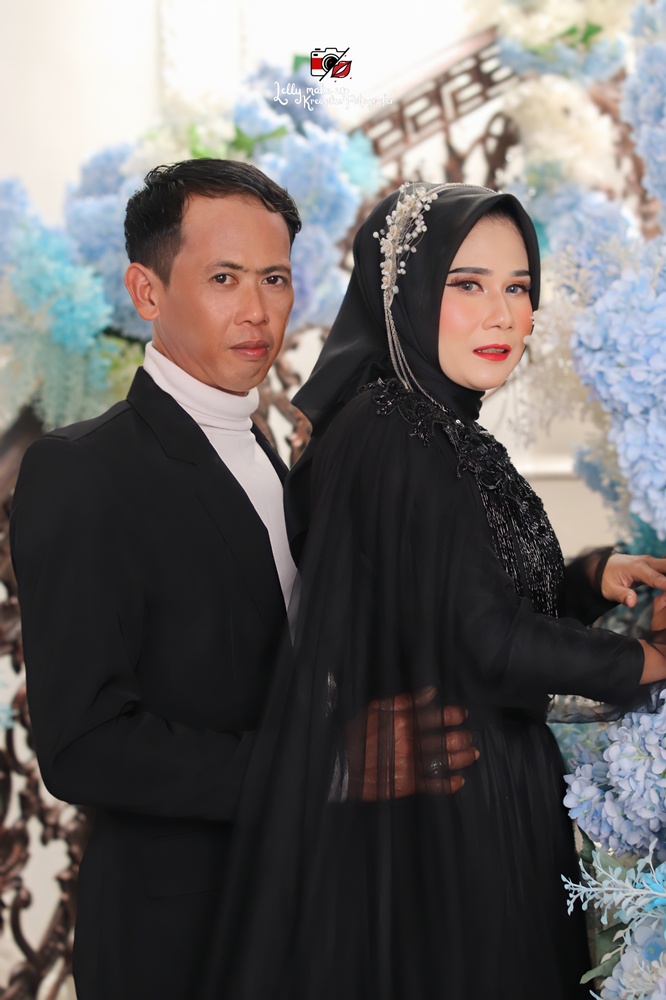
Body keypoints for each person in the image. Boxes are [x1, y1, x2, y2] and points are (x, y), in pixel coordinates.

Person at [9, 161, 477, 1000]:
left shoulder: (269, 446)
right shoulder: (82, 471)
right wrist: (329, 766)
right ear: (146, 291)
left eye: (275, 279)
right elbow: (84, 747)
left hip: (311, 915)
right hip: (182, 940)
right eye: (223, 279)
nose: (258, 311)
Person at [208, 182, 666, 1000]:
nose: (502, 315)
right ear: (409, 292)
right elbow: (487, 642)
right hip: (457, 819)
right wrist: (646, 663)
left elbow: (451, 604)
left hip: (460, 800)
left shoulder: (423, 422)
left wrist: (589, 577)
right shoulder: (404, 432)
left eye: (518, 288)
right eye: (468, 284)